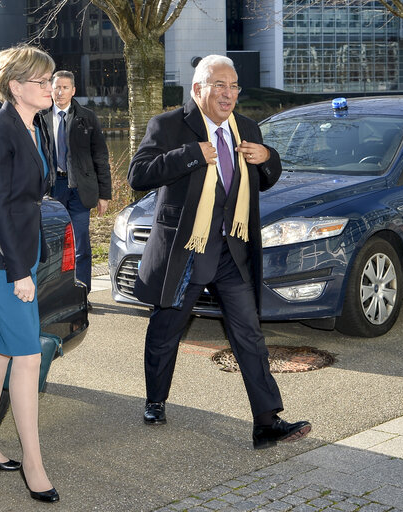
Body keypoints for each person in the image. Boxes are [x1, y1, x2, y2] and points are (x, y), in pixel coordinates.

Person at [128, 55, 312, 449]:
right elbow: (138, 175)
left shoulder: (246, 127)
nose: (228, 94)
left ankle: (266, 421)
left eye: (234, 87)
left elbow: (263, 178)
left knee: (249, 334)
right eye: (220, 85)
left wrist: (269, 158)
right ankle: (155, 400)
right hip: (187, 251)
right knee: (165, 332)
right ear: (198, 89)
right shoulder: (169, 125)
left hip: (233, 250)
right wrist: (192, 154)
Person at [0, 45, 59, 503]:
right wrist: (19, 271)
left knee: (0, 350)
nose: (50, 87)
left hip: (23, 251)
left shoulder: (33, 124)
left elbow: (34, 191)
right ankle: (34, 465)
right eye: (42, 81)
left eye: (52, 79)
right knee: (28, 356)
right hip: (2, 259)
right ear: (16, 86)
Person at [44, 70, 111, 301]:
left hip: (80, 189)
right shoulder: (39, 117)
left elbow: (100, 156)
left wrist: (104, 194)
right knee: (53, 244)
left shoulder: (87, 117)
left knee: (81, 243)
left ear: (73, 91)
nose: (60, 92)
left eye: (65, 88)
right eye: (56, 87)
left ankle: (82, 294)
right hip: (52, 189)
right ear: (50, 89)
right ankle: (54, 296)